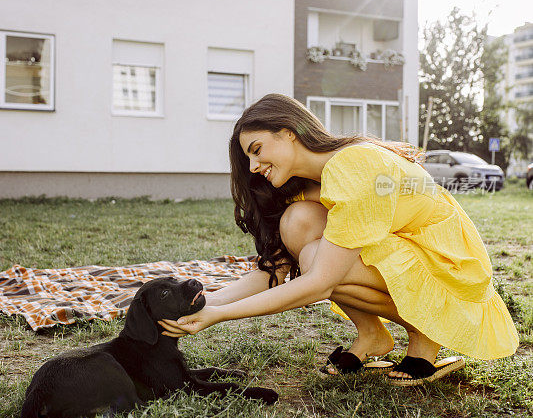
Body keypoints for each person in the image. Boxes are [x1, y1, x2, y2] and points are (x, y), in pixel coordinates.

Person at [159, 94, 519, 385]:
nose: (253, 166)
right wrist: (203, 301)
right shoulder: (307, 189)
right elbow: (275, 271)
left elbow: (320, 283)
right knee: (298, 224)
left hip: (451, 273)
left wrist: (220, 315)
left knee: (319, 259)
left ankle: (427, 333)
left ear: (288, 132)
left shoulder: (353, 165)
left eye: (256, 149)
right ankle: (372, 336)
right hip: (408, 259)